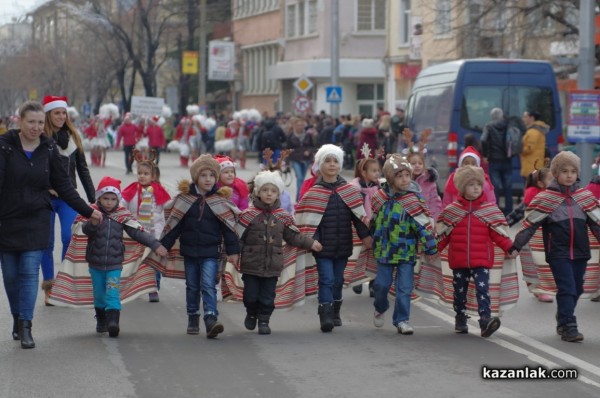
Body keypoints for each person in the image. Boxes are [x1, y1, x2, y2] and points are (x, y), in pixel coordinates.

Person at [0, 100, 102, 349]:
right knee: (11, 277)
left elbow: (65, 185)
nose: (36, 128)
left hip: (37, 220)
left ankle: (26, 325)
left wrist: (89, 211)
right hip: (7, 221)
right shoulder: (5, 147)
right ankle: (16, 317)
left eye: (38, 123)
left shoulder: (49, 149)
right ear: (20, 121)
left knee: (28, 272)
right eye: (31, 122)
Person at [511, 151, 600, 342]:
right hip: (557, 252)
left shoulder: (584, 197)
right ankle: (569, 325)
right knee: (567, 287)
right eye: (564, 171)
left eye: (573, 171)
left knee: (577, 288)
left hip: (580, 251)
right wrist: (515, 246)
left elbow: (596, 224)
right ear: (556, 173)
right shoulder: (546, 198)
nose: (569, 175)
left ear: (577, 174)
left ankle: (562, 316)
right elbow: (530, 225)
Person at [158, 155, 240, 338]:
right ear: (196, 177)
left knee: (208, 285)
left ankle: (211, 319)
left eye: (212, 175)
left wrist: (233, 251)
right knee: (192, 286)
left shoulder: (220, 202)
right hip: (189, 253)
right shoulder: (185, 200)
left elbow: (228, 229)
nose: (208, 179)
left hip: (211, 252)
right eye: (204, 175)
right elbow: (175, 225)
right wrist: (163, 245)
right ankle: (193, 316)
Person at [295, 144, 372, 332]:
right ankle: (325, 314)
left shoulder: (349, 191)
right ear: (319, 166)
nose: (331, 164)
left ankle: (336, 309)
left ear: (340, 165)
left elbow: (358, 218)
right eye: (327, 161)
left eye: (335, 161)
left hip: (343, 245)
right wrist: (313, 241)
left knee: (338, 281)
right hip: (322, 248)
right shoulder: (313, 192)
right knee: (326, 279)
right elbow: (308, 221)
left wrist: (366, 236)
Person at [237, 171, 322, 334]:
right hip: (250, 265)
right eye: (265, 190)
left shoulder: (283, 217)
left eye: (273, 191)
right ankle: (251, 312)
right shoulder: (248, 215)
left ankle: (264, 320)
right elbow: (238, 237)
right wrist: (232, 254)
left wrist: (311, 243)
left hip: (273, 266)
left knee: (268, 297)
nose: (269, 194)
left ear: (278, 194)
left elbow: (294, 236)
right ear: (258, 192)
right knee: (250, 296)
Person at [83, 177, 167, 337]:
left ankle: (113, 323)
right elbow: (86, 231)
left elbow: (137, 232)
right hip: (95, 263)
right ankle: (101, 320)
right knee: (99, 294)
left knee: (112, 293)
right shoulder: (93, 213)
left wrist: (155, 245)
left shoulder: (122, 216)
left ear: (118, 200)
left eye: (113, 199)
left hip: (115, 264)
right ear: (99, 198)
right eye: (105, 198)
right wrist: (93, 224)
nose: (109, 202)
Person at [437, 166, 514, 337]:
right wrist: (434, 249)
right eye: (471, 184)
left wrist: (509, 247)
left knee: (483, 290)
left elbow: (498, 234)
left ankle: (485, 321)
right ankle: (460, 317)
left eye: (479, 184)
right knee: (460, 291)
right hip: (459, 260)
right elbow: (443, 235)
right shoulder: (452, 211)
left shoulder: (488, 210)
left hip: (481, 260)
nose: (476, 188)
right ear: (462, 187)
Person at [371, 155, 438, 335]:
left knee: (405, 288)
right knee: (381, 286)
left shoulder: (414, 200)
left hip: (406, 252)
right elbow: (372, 221)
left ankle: (402, 320)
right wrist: (368, 238)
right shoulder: (379, 198)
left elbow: (424, 226)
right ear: (391, 178)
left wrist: (431, 247)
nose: (404, 179)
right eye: (399, 176)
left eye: (407, 175)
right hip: (384, 251)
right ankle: (380, 306)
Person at [40, 95, 96, 306]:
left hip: (68, 197)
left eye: (64, 113)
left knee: (68, 237)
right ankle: (50, 286)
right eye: (57, 113)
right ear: (48, 114)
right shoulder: (41, 138)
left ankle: (63, 283)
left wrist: (93, 199)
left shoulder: (73, 136)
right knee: (45, 242)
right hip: (44, 197)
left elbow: (82, 169)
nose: (61, 117)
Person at [121, 154, 171, 302]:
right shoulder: (132, 189)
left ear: (153, 176)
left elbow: (167, 208)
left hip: (155, 233)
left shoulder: (159, 191)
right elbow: (122, 205)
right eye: (140, 173)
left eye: (146, 173)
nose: (142, 176)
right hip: (136, 232)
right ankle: (135, 287)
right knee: (136, 261)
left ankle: (153, 288)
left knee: (152, 262)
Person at [505, 167, 554, 303]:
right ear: (540, 183)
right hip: (531, 239)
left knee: (545, 264)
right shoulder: (533, 197)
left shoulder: (553, 195)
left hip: (547, 238)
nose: (554, 181)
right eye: (551, 179)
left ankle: (541, 288)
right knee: (535, 265)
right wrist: (502, 226)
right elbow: (517, 213)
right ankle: (539, 289)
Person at [350, 154, 381, 296]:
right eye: (373, 171)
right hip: (360, 227)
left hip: (376, 225)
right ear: (364, 173)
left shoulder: (379, 188)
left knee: (375, 256)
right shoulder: (356, 190)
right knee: (359, 255)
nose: (377, 174)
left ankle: (373, 284)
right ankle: (357, 280)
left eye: (378, 170)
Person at [481, 108, 513, 214]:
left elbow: (483, 139)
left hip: (494, 160)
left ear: (492, 116)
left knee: (495, 186)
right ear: (501, 115)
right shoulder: (507, 125)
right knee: (508, 186)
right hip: (507, 159)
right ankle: (509, 210)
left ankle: (496, 210)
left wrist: (485, 155)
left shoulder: (489, 126)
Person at [407, 151, 442, 222]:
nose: (417, 165)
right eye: (413, 163)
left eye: (420, 163)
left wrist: (433, 220)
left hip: (426, 221)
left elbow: (434, 202)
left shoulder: (429, 181)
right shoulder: (405, 182)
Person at [287, 117, 316, 200]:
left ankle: (300, 196)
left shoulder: (308, 135)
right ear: (294, 126)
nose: (300, 126)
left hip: (305, 159)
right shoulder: (291, 136)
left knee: (302, 179)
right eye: (298, 125)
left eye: (301, 125)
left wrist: (309, 151)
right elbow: (287, 149)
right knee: (299, 178)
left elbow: (312, 147)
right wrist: (287, 162)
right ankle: (299, 198)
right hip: (295, 159)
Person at [520, 110, 549, 179]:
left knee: (530, 188)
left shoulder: (533, 132)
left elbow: (529, 148)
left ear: (532, 118)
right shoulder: (536, 130)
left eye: (525, 117)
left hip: (531, 166)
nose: (523, 119)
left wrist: (519, 149)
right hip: (534, 164)